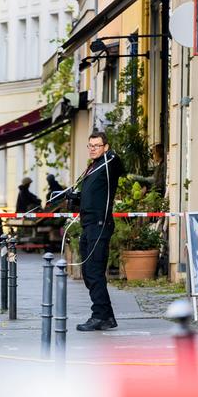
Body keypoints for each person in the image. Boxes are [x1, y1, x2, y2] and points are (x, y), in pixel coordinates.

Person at [75, 131, 124, 332]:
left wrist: (109, 154)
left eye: (97, 145)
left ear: (105, 146)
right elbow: (92, 194)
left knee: (94, 270)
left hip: (99, 224)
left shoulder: (108, 164)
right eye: (90, 146)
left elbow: (119, 165)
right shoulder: (92, 167)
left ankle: (99, 316)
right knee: (88, 271)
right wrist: (74, 197)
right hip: (87, 224)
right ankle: (107, 316)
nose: (93, 149)